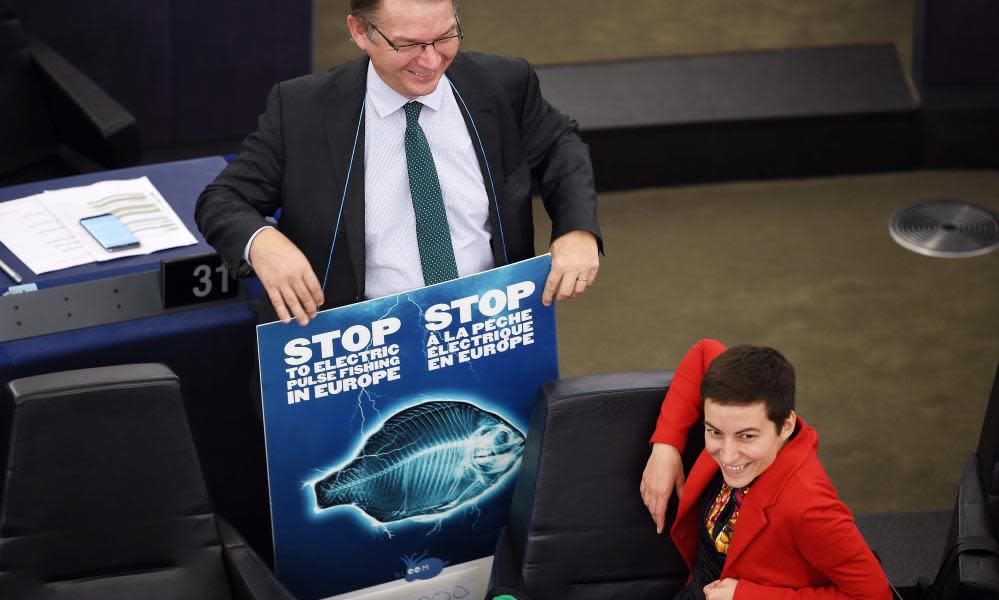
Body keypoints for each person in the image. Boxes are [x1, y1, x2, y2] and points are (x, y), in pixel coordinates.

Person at [194, 0, 601, 329]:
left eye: (444, 37)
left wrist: (578, 228)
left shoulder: (502, 83)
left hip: (488, 327)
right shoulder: (302, 110)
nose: (430, 61)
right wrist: (262, 242)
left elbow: (560, 145)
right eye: (407, 45)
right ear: (359, 32)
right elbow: (222, 199)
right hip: (363, 345)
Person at [641, 340, 891, 599]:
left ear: (785, 426)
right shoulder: (735, 392)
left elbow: (875, 595)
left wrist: (748, 596)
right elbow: (703, 352)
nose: (727, 455)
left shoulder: (810, 506)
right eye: (714, 431)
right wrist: (666, 445)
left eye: (746, 436)